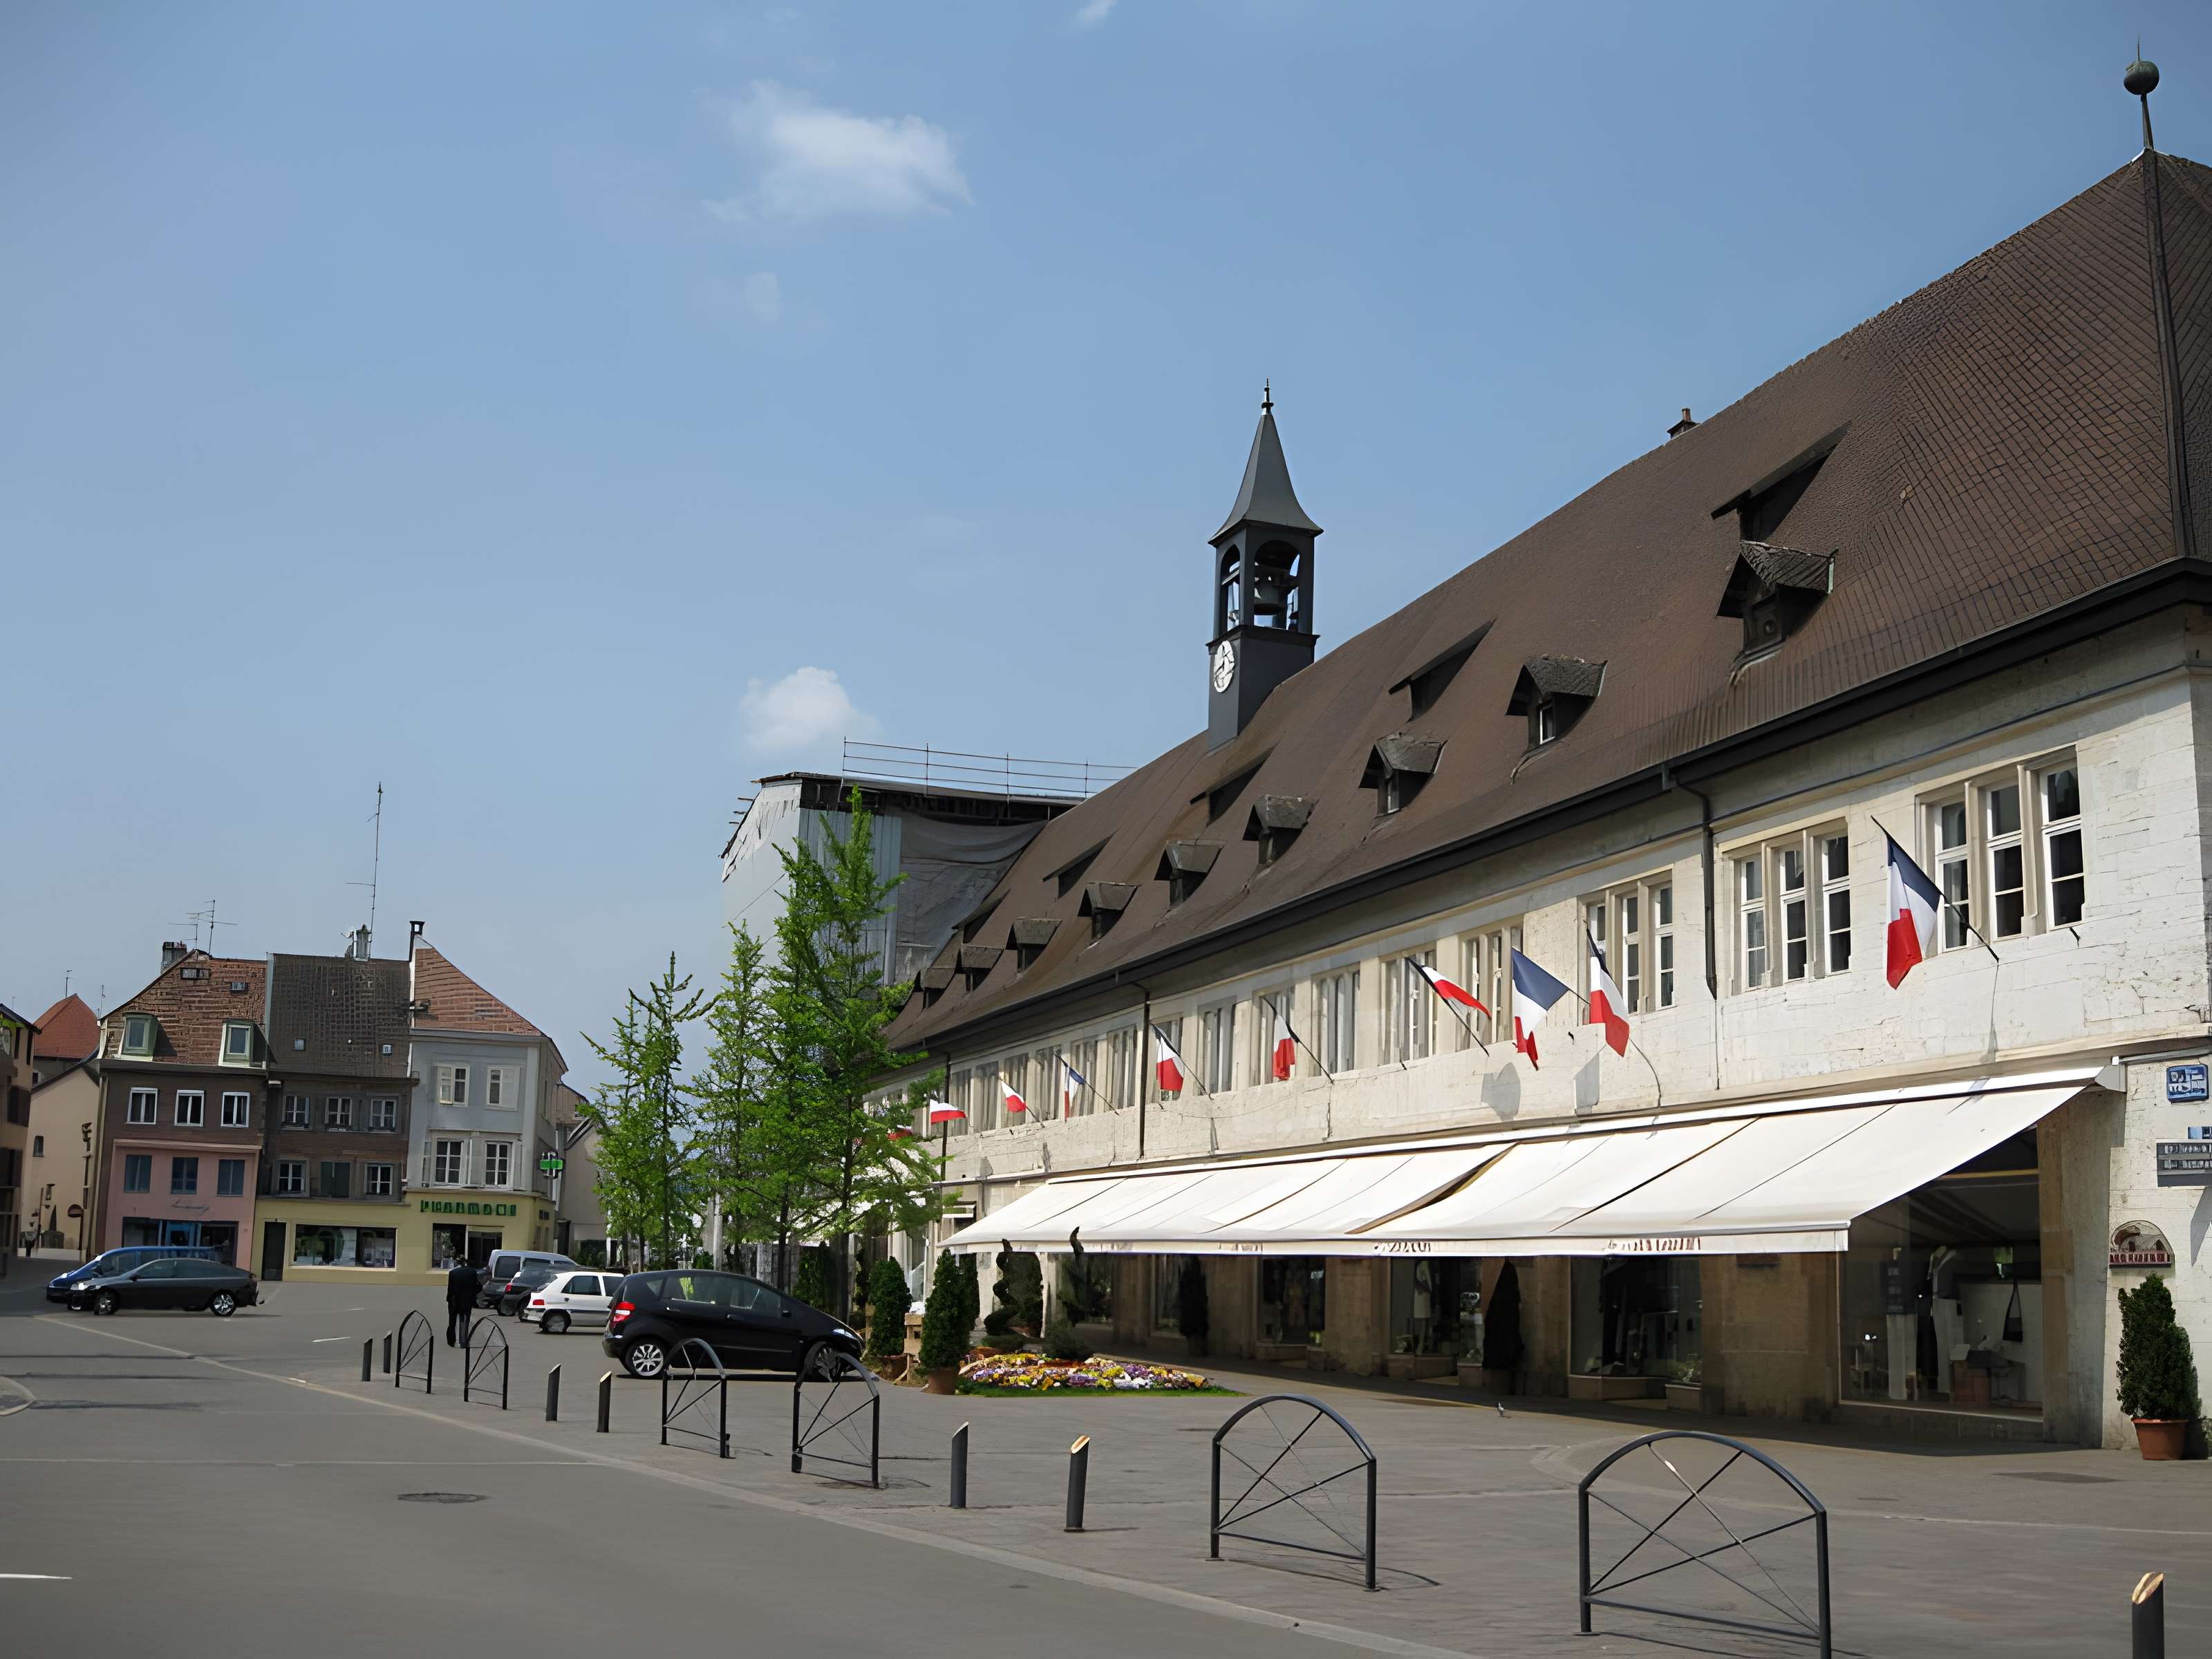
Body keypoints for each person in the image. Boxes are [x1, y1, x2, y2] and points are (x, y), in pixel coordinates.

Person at [446, 1258, 480, 1347]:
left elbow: (450, 1289)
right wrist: (473, 1295)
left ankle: (454, 1341)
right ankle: (464, 1341)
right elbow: (478, 1286)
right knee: (466, 1321)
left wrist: (449, 1300)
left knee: (454, 1321)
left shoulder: (453, 1273)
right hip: (467, 1300)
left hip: (455, 1301)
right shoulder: (472, 1272)